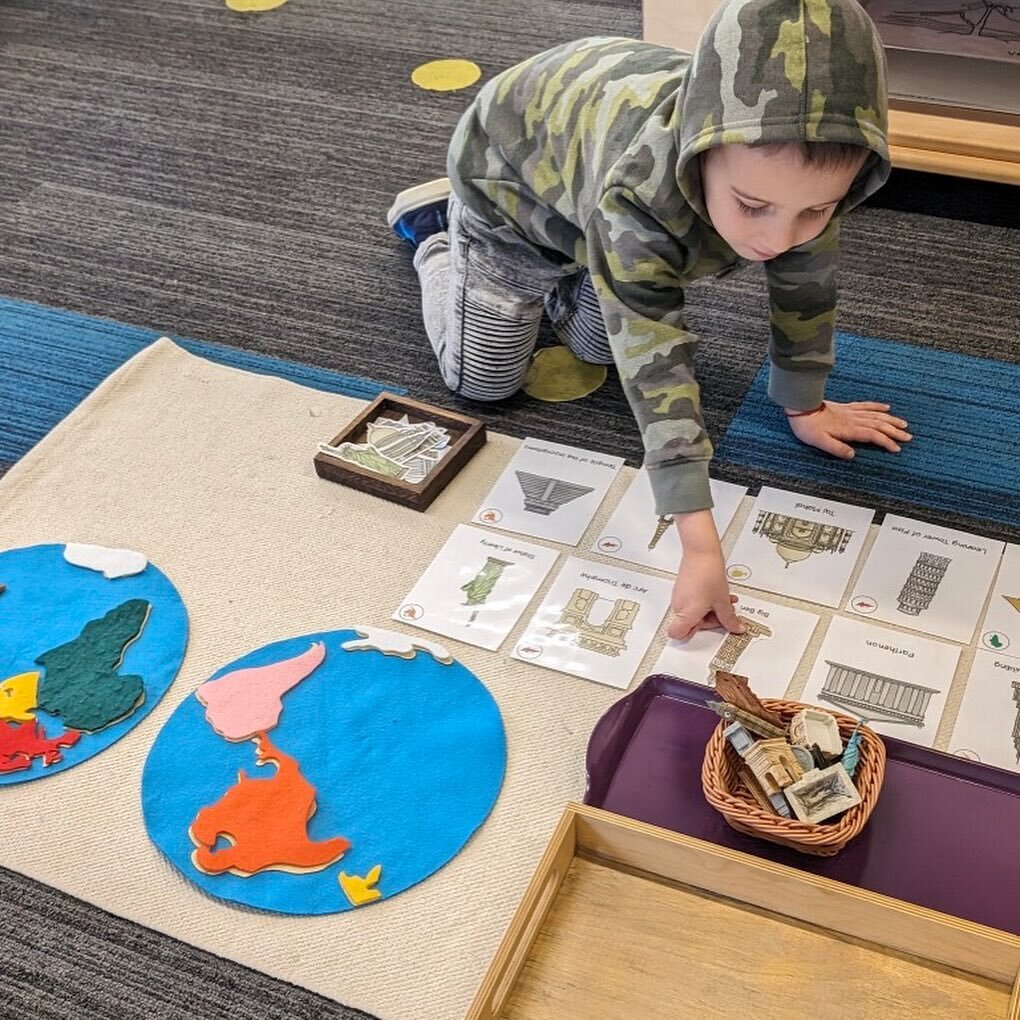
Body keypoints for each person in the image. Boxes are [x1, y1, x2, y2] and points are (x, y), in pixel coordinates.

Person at [387, 0, 911, 641]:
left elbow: (807, 289)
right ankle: (437, 237)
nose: (781, 238)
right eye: (752, 206)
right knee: (485, 382)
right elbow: (654, 352)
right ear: (700, 155)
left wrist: (804, 402)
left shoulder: (802, 186)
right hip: (508, 188)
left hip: (590, 201)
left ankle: (592, 268)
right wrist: (697, 541)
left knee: (592, 348)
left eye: (816, 212)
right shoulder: (641, 195)